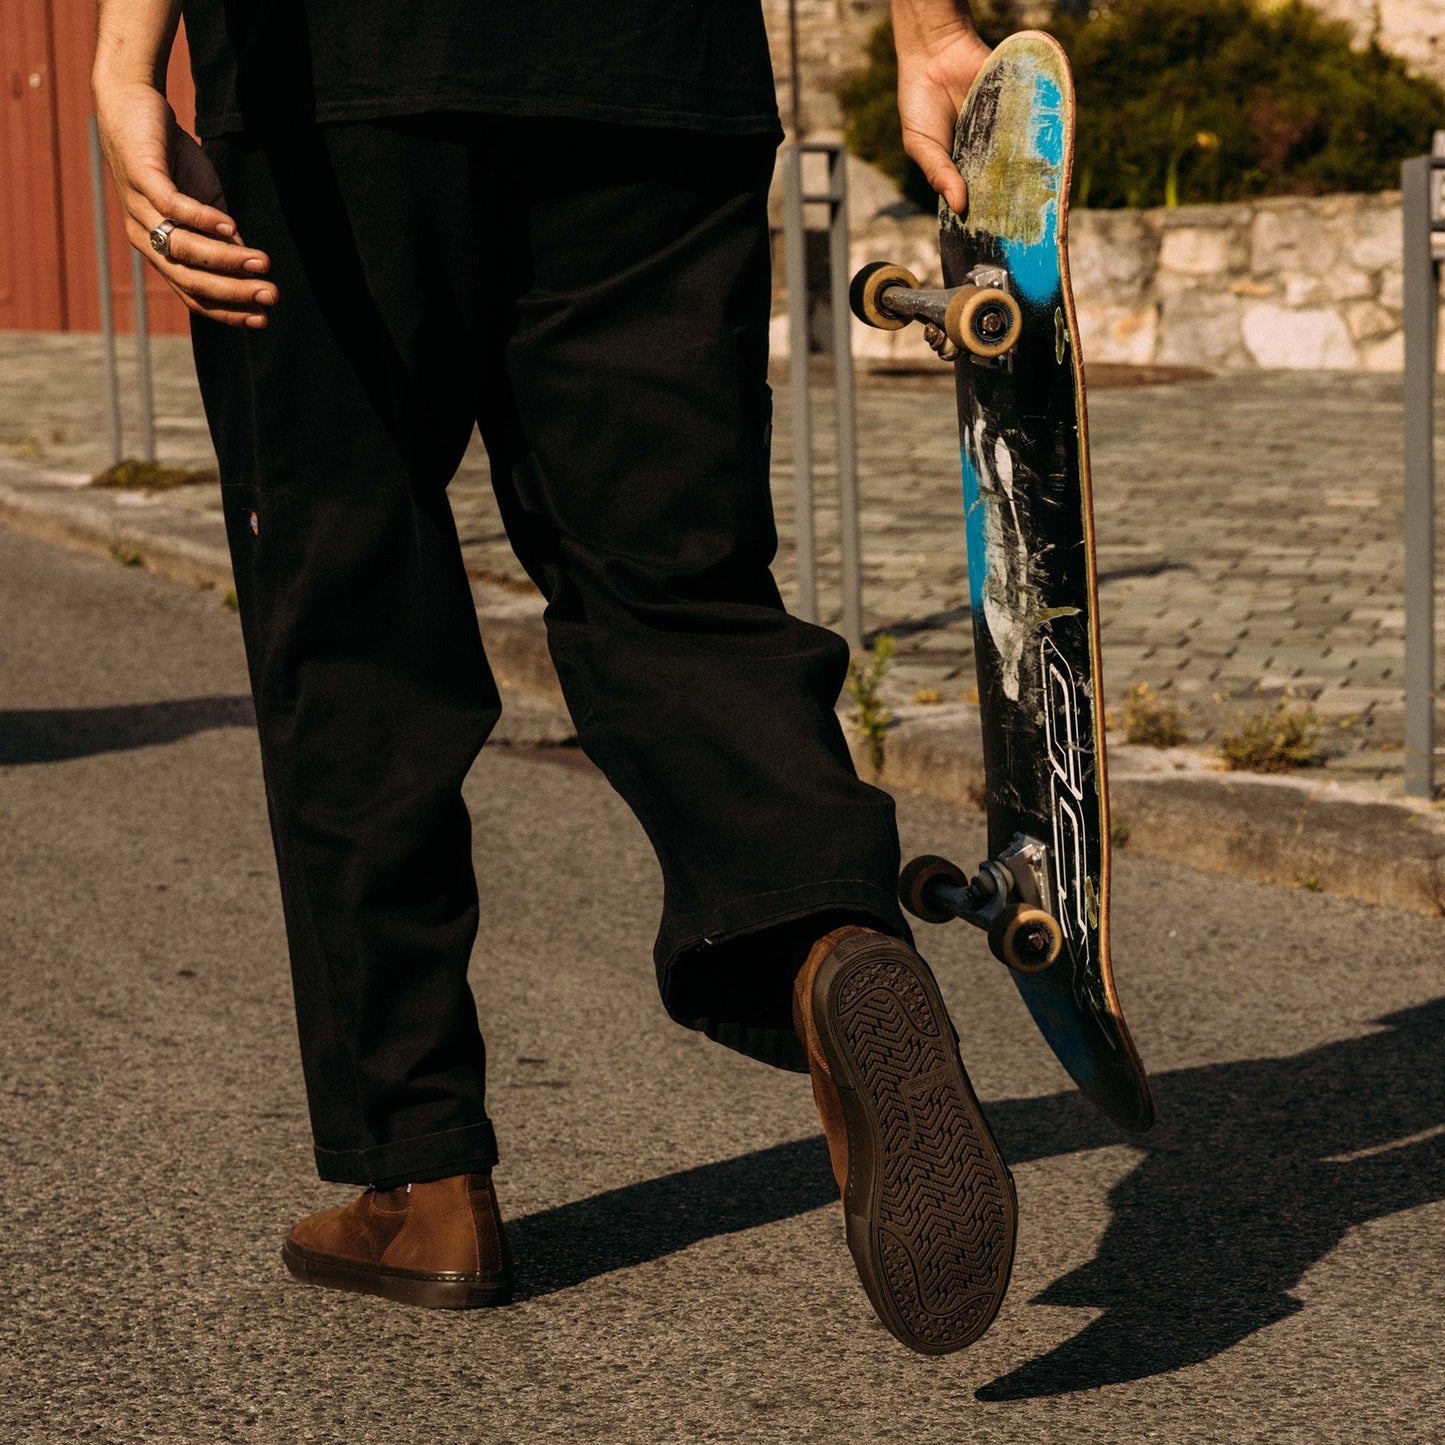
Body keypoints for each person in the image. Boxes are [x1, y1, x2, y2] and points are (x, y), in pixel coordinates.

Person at [93, 0, 1010, 1354]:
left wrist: (122, 64)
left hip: (334, 82)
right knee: (672, 579)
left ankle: (425, 1173)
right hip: (648, 74)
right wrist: (925, 24)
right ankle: (826, 926)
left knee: (350, 614)